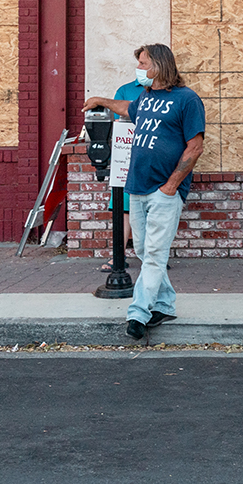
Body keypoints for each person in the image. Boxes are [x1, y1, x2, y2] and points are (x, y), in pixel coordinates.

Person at [83, 44, 205, 341]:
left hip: (164, 191)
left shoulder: (187, 100)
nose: (139, 69)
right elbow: (128, 109)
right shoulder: (147, 97)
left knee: (153, 255)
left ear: (159, 65)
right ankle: (164, 304)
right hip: (136, 187)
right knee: (142, 251)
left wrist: (171, 186)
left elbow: (195, 146)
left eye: (143, 63)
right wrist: (102, 100)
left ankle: (138, 313)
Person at [102, 47, 150, 273]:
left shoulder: (170, 93)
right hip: (127, 156)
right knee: (124, 207)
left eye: (143, 63)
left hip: (153, 157)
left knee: (155, 208)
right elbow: (118, 119)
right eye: (138, 62)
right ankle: (117, 257)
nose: (139, 67)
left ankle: (152, 257)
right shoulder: (125, 90)